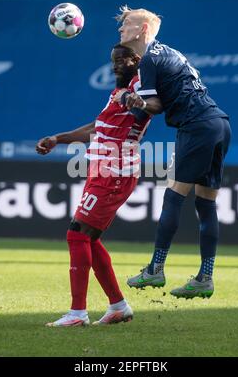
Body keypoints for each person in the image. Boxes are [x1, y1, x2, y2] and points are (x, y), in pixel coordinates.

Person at [114, 6, 232, 299]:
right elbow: (156, 102)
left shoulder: (149, 59)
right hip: (219, 124)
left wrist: (131, 99)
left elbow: (155, 106)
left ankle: (155, 269)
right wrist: (133, 128)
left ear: (142, 29)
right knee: (206, 205)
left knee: (173, 196)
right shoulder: (167, 53)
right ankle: (205, 277)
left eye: (126, 24)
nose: (121, 29)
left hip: (196, 126)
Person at [36, 44, 151, 326]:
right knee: (89, 237)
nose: (116, 66)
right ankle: (118, 306)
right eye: (113, 62)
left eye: (122, 60)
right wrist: (57, 138)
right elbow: (96, 127)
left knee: (77, 233)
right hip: (103, 169)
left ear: (136, 60)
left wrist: (141, 40)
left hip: (115, 170)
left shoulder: (140, 84)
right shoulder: (117, 93)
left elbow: (150, 101)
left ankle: (77, 313)